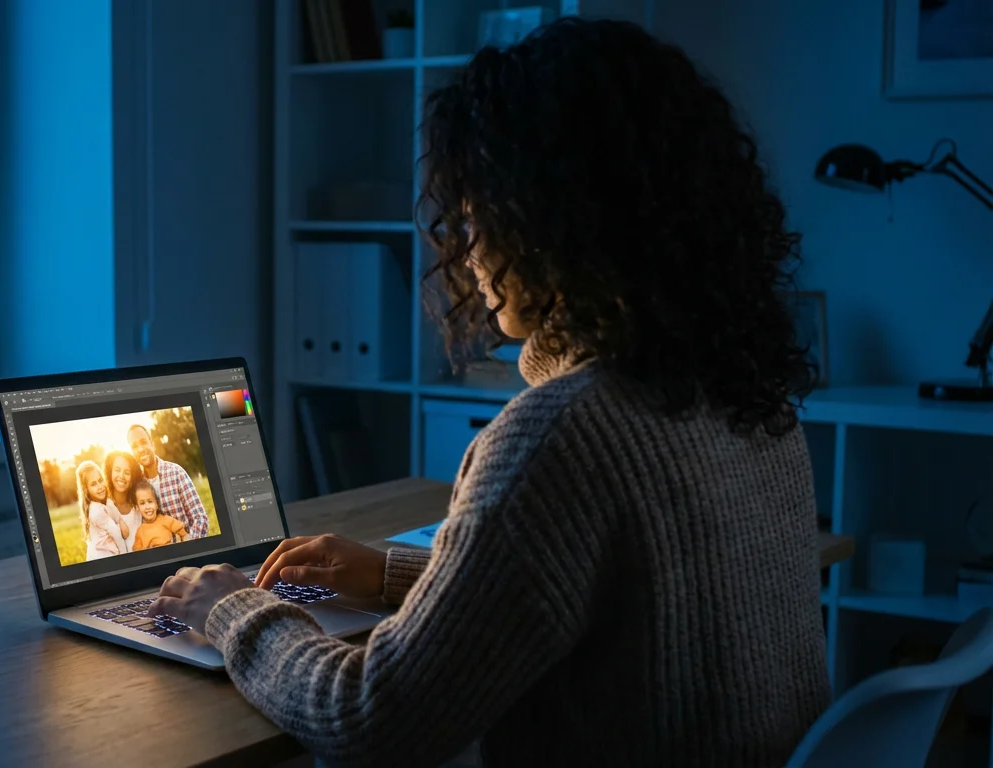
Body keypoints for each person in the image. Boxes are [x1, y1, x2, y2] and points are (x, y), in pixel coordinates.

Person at [148, 18, 831, 767]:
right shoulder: (748, 396)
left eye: (475, 216)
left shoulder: (561, 433)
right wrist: (390, 577)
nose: (466, 251)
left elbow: (372, 721)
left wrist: (233, 611)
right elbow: (609, 600)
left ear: (548, 223)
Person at [127, 424, 209, 539]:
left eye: (143, 442)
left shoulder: (176, 472)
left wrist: (190, 546)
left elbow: (200, 518)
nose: (140, 449)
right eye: (135, 446)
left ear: (152, 443)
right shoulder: (136, 485)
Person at [75, 460, 127, 560]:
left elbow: (116, 515)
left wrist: (120, 521)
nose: (100, 486)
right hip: (102, 556)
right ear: (86, 490)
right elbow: (115, 532)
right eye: (93, 484)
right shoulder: (96, 511)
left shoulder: (106, 502)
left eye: (100, 480)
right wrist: (125, 555)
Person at [104, 451, 145, 553]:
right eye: (117, 470)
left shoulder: (138, 508)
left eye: (127, 472)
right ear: (110, 472)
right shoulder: (104, 508)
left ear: (132, 477)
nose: (121, 476)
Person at [130, 480, 189, 551]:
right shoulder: (140, 532)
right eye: (142, 503)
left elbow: (184, 534)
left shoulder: (165, 520)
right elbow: (136, 555)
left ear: (157, 504)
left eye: (150, 501)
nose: (147, 507)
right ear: (137, 507)